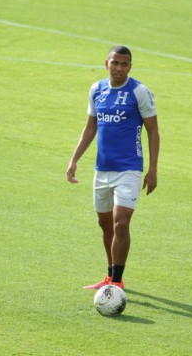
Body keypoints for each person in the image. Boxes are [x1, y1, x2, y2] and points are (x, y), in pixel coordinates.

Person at [66, 45, 160, 290]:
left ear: (130, 66)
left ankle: (117, 282)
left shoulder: (139, 92)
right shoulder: (96, 90)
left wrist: (153, 169)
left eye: (124, 64)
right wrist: (74, 159)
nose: (119, 68)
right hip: (102, 168)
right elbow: (90, 128)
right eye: (115, 63)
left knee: (121, 222)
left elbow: (153, 131)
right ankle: (110, 276)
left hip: (129, 168)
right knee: (105, 224)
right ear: (106, 63)